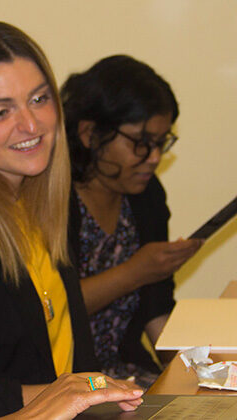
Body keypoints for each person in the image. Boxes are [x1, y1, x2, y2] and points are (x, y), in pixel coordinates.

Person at [0, 22, 143, 420]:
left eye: (39, 99)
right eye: (0, 112)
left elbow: (71, 354)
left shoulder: (45, 200)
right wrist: (84, 392)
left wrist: (100, 395)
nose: (31, 125)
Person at [61, 55, 202, 387]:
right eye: (141, 143)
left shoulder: (145, 196)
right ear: (89, 133)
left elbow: (157, 310)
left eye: (161, 143)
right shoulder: (53, 197)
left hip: (128, 374)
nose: (154, 158)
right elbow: (49, 308)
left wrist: (196, 376)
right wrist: (135, 272)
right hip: (66, 383)